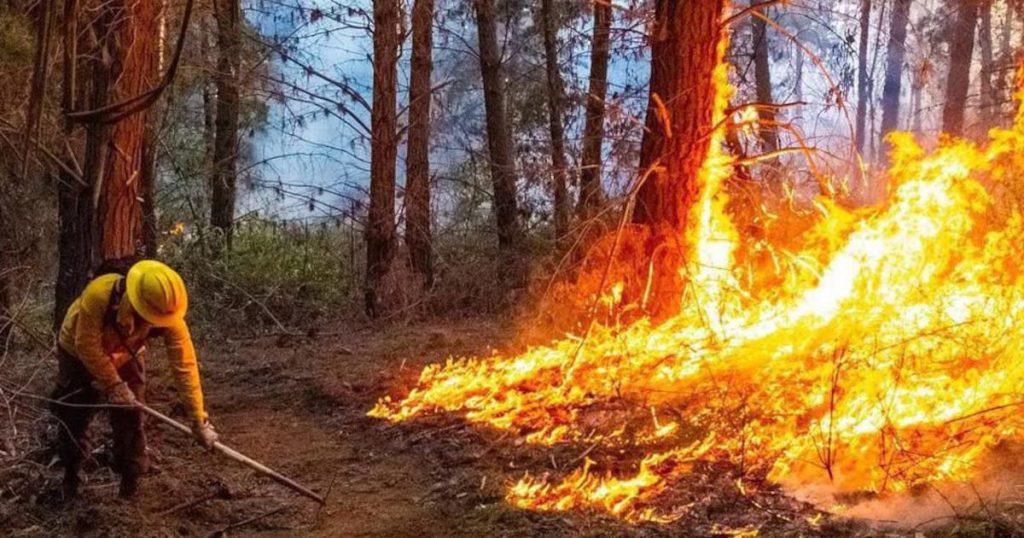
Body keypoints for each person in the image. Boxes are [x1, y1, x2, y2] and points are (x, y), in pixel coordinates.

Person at [49, 260, 218, 499]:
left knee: (131, 416)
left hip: (126, 354)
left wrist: (198, 420)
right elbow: (86, 345)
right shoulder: (98, 295)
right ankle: (71, 478)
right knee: (75, 417)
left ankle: (130, 484)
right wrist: (114, 384)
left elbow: (185, 366)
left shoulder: (170, 314)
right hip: (78, 352)